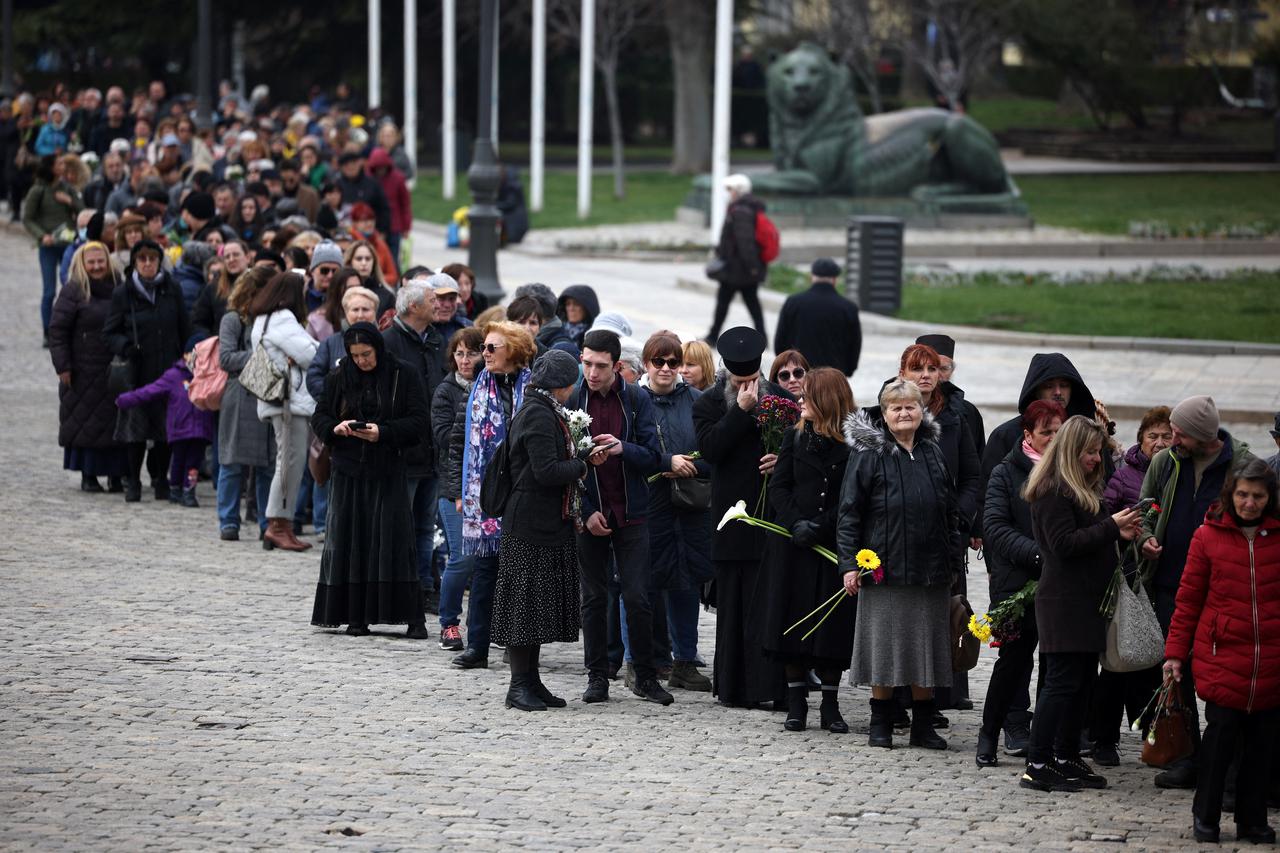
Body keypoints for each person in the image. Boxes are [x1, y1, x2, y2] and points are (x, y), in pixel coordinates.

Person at [1137, 394, 1256, 790]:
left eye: (1179, 433)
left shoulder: (1239, 465)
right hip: (1171, 583)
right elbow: (1146, 509)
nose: (1172, 439)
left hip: (1223, 590)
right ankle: (1189, 754)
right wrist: (1147, 538)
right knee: (1177, 671)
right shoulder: (1165, 462)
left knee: (1224, 676)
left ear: (1202, 436)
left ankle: (1231, 762)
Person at [1020, 415, 1143, 792]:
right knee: (1060, 684)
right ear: (1072, 451)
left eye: (1098, 452)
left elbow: (1092, 538)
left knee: (1082, 684)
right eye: (1090, 452)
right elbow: (1064, 544)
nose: (1096, 459)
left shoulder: (1083, 487)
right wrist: (1111, 527)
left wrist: (1121, 533)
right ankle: (1038, 762)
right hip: (1064, 602)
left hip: (1087, 601)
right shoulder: (1052, 489)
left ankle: (1067, 756)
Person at [838, 380, 961, 751]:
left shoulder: (932, 452)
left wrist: (953, 560)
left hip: (930, 571)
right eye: (896, 408)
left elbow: (949, 511)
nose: (905, 413)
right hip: (883, 569)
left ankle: (923, 724)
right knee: (884, 648)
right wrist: (848, 564)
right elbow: (848, 514)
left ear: (921, 411)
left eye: (911, 406)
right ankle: (881, 722)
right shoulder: (868, 456)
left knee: (926, 647)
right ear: (885, 415)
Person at [1163, 459, 1279, 844]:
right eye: (1243, 494)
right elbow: (1189, 600)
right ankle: (1206, 815)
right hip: (1222, 655)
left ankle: (1253, 819)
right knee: (1220, 740)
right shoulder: (1207, 537)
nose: (1249, 503)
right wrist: (1176, 654)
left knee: (1262, 747)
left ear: (1269, 498)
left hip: (1270, 659)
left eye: (1257, 496)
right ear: (1231, 494)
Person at [310, 322, 431, 640]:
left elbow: (419, 421)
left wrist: (383, 433)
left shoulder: (402, 374)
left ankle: (409, 617)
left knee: (394, 540)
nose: (362, 360)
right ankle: (354, 616)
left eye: (367, 354)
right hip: (348, 470)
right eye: (356, 355)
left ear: (378, 347)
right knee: (351, 541)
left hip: (388, 469)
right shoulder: (340, 376)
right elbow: (320, 415)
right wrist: (335, 429)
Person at [569, 329, 670, 706]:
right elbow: (564, 462)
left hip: (632, 511)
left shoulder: (636, 398)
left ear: (617, 366)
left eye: (600, 366)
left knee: (638, 597)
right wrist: (586, 511)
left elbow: (653, 457)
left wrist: (621, 448)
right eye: (587, 363)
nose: (592, 373)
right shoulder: (572, 396)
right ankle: (597, 676)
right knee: (593, 598)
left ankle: (644, 676)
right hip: (591, 510)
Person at [693, 326, 790, 709]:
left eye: (752, 380)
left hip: (771, 517)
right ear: (726, 375)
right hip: (731, 520)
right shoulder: (709, 402)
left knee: (770, 603)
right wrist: (740, 411)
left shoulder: (781, 399)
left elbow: (800, 447)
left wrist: (782, 461)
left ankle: (771, 687)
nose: (747, 387)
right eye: (739, 381)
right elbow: (711, 449)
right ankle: (735, 688)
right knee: (733, 607)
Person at [491, 350, 590, 710]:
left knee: (533, 607)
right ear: (563, 387)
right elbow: (546, 471)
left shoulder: (543, 408)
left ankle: (532, 682)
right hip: (529, 524)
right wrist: (582, 464)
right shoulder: (537, 413)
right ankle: (518, 686)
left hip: (543, 521)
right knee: (524, 606)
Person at [763, 367, 858, 733]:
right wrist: (795, 523)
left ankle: (830, 704)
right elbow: (780, 486)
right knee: (793, 620)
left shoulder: (853, 446)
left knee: (830, 627)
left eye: (807, 397)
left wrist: (821, 525)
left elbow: (852, 496)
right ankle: (796, 701)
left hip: (832, 543)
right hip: (793, 546)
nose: (800, 401)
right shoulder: (794, 437)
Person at [974, 399, 1065, 768]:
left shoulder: (1070, 471)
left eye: (1059, 432)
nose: (1054, 438)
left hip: (1061, 584)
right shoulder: (1006, 472)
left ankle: (1047, 741)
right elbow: (995, 527)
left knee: (1055, 663)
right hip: (1017, 582)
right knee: (1013, 660)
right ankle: (990, 732)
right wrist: (1040, 555)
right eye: (1047, 432)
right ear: (1028, 435)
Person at [1088, 406, 1173, 765]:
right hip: (1127, 577)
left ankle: (1157, 739)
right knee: (1118, 658)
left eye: (1166, 436)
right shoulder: (1124, 476)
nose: (1159, 442)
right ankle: (1103, 739)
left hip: (1164, 580)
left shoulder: (1176, 472)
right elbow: (1105, 515)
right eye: (1152, 436)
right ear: (1141, 440)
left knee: (1154, 663)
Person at [452, 321, 537, 670]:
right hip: (486, 493)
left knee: (520, 573)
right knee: (485, 571)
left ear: (513, 352)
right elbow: (459, 440)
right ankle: (478, 645)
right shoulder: (478, 389)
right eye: (483, 347)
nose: (482, 354)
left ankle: (517, 644)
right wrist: (458, 492)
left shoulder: (533, 388)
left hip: (525, 491)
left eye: (491, 348)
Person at [637, 331, 714, 692]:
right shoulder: (634, 400)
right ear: (646, 364)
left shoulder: (698, 401)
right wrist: (664, 462)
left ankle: (685, 659)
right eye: (659, 362)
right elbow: (626, 449)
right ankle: (639, 662)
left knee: (686, 581)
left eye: (673, 362)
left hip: (691, 503)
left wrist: (692, 466)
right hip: (648, 502)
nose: (666, 369)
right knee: (643, 583)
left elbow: (715, 451)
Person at [103, 240, 191, 503]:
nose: (148, 264)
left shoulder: (172, 288)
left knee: (165, 431)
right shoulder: (124, 292)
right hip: (137, 372)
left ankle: (161, 479)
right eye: (142, 259)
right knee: (135, 431)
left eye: (152, 259)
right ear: (135, 263)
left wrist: (185, 360)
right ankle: (134, 481)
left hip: (168, 371)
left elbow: (184, 326)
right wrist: (126, 346)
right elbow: (109, 333)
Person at [381, 280, 446, 600]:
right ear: (413, 307)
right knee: (399, 525)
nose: (439, 305)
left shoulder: (433, 340)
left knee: (425, 526)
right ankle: (398, 588)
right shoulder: (389, 342)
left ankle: (423, 585)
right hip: (403, 452)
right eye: (432, 300)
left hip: (431, 451)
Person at [48, 241, 127, 492]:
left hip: (115, 368)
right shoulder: (73, 291)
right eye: (91, 262)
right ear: (82, 264)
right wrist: (63, 366)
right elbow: (58, 331)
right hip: (82, 371)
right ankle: (89, 474)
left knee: (117, 422)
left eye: (100, 261)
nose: (96, 267)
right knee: (87, 423)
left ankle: (118, 474)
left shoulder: (119, 287)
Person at [248, 272, 318, 552]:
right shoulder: (283, 319)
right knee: (290, 462)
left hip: (277, 399)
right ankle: (278, 525)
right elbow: (313, 354)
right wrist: (310, 349)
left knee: (286, 461)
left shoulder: (263, 319)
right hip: (289, 402)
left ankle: (281, 524)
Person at [115, 335, 216, 507]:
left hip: (200, 430)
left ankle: (188, 491)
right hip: (180, 429)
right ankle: (175, 488)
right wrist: (126, 399)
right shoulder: (174, 376)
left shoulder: (208, 376)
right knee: (177, 462)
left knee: (193, 465)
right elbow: (150, 391)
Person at [215, 267, 277, 541]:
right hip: (239, 393)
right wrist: (262, 354)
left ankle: (267, 521)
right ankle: (228, 520)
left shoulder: (276, 319)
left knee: (267, 463)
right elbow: (226, 358)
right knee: (231, 461)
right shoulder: (233, 319)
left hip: (268, 392)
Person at [432, 327, 485, 651]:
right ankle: (448, 622)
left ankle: (480, 624)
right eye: (460, 354)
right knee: (461, 558)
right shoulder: (446, 391)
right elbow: (443, 439)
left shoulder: (491, 387)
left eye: (472, 353)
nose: (465, 360)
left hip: (485, 488)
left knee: (484, 561)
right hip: (453, 487)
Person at [24, 155, 83, 345]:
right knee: (49, 292)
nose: (63, 166)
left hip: (68, 247)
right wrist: (42, 236)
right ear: (50, 167)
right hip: (48, 247)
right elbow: (28, 218)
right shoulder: (38, 190)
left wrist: (69, 201)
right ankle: (47, 332)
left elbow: (83, 213)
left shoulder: (67, 188)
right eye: (59, 164)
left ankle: (71, 329)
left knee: (72, 288)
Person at [773, 258, 861, 376]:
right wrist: (848, 370)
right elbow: (854, 345)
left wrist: (786, 369)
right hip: (834, 375)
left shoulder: (793, 302)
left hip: (800, 374)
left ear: (811, 277)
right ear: (835, 280)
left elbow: (780, 341)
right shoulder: (848, 308)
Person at [366, 148, 411, 264]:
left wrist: (406, 226)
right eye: (378, 168)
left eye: (383, 167)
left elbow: (405, 203)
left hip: (394, 226)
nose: (380, 171)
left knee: (392, 259)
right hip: (372, 226)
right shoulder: (369, 179)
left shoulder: (398, 178)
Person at [429, 273, 473, 345]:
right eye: (441, 298)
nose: (447, 305)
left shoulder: (467, 328)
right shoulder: (419, 329)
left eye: (452, 299)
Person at [554, 284, 599, 350]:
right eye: (568, 304)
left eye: (576, 304)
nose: (571, 308)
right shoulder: (555, 332)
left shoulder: (596, 337)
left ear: (587, 307)